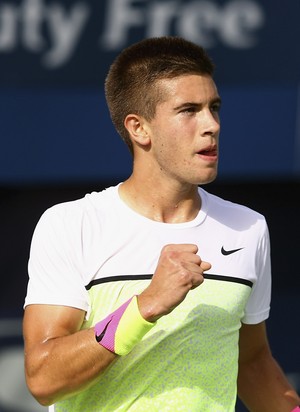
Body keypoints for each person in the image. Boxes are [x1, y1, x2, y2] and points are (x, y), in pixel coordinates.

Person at [23, 36, 300, 412]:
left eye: (214, 107)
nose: (212, 125)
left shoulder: (249, 228)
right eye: (189, 110)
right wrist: (146, 306)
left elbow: (252, 364)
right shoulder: (70, 224)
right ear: (139, 129)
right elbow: (44, 379)